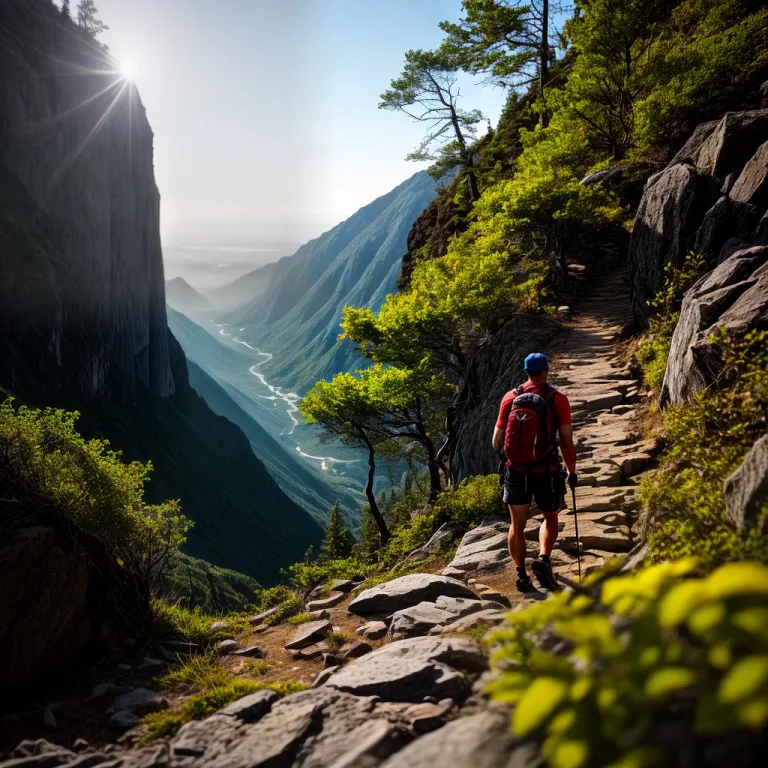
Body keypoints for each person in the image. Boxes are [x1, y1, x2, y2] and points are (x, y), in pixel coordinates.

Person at [492, 352, 578, 592]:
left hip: (516, 471)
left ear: (525, 371)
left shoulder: (510, 397)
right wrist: (572, 471)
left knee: (516, 525)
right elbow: (566, 442)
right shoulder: (557, 399)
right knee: (550, 516)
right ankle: (543, 558)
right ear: (546, 370)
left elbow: (496, 443)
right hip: (546, 470)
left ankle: (521, 575)